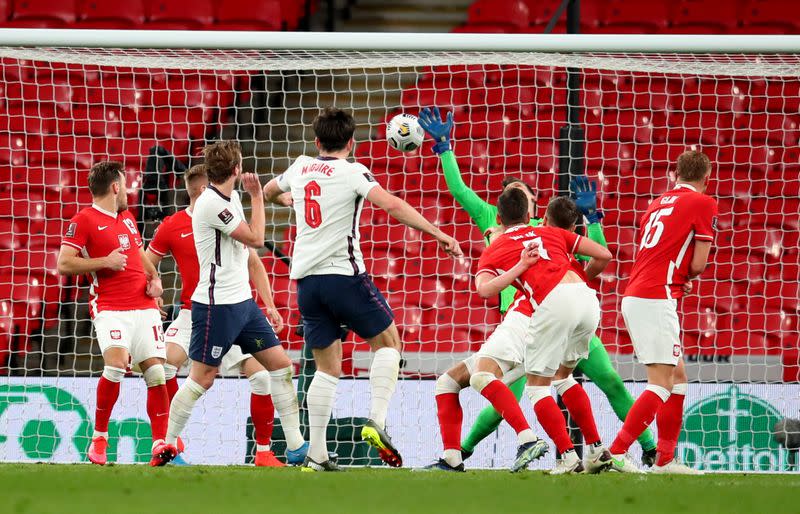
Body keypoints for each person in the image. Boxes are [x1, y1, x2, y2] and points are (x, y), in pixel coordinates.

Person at [418, 106, 659, 466]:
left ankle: (647, 449)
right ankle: (468, 451)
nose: (518, 196)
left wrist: (592, 219)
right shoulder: (494, 218)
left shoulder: (548, 230)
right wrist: (445, 147)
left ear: (536, 202)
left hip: (552, 311)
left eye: (524, 193)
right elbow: (459, 189)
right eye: (512, 192)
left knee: (607, 380)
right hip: (520, 319)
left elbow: (589, 264)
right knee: (515, 395)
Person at [262, 107, 462, 471]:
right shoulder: (353, 171)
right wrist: (439, 233)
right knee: (389, 342)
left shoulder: (301, 166)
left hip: (307, 284)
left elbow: (267, 191)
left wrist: (285, 199)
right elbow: (392, 205)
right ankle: (377, 421)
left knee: (326, 368)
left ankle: (317, 454)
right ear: (351, 142)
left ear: (317, 141)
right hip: (344, 275)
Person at [429, 196, 619, 473]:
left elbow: (484, 289)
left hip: (531, 316)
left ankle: (535, 442)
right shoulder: (551, 234)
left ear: (497, 218)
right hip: (587, 302)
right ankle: (452, 459)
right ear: (530, 214)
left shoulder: (499, 245)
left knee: (498, 379)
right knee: (450, 381)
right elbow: (603, 253)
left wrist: (515, 261)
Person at [146, 164, 307, 467]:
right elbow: (147, 259)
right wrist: (153, 287)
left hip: (235, 308)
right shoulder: (174, 224)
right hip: (196, 312)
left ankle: (264, 452)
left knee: (262, 377)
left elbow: (254, 262)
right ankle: (168, 445)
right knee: (164, 368)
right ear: (203, 188)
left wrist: (269, 304)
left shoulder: (230, 211)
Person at [57, 161, 173, 466]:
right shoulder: (83, 220)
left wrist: (155, 279)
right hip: (110, 307)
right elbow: (64, 264)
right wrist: (104, 262)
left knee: (157, 371)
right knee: (118, 365)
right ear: (115, 187)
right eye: (125, 185)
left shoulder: (128, 219)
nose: (128, 192)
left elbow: (138, 253)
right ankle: (99, 438)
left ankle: (159, 443)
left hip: (144, 306)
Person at [608, 150, 717, 475]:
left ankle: (665, 460)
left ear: (676, 174)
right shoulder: (704, 203)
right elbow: (697, 264)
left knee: (677, 377)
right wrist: (685, 277)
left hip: (640, 292)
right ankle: (615, 452)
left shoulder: (656, 204)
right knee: (661, 382)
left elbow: (661, 254)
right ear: (706, 177)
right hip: (655, 298)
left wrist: (677, 278)